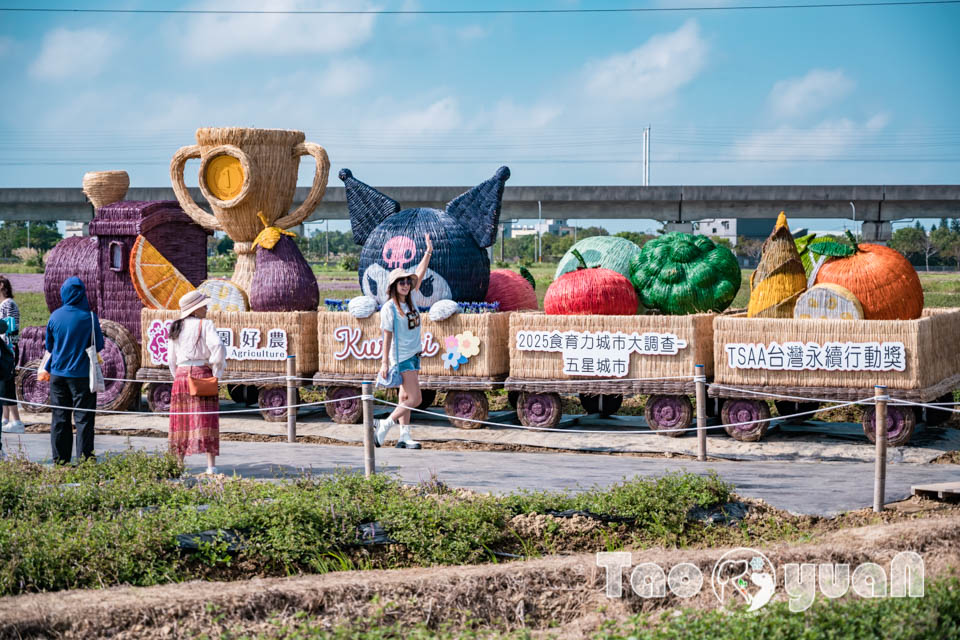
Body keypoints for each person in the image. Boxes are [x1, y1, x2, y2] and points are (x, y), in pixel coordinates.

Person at [374, 233, 434, 450]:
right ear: (394, 286)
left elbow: (420, 272)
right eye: (401, 282)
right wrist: (384, 363)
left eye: (407, 282)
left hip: (414, 354)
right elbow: (386, 336)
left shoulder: (411, 301)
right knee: (416, 399)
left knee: (405, 396)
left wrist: (428, 251)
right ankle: (384, 424)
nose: (406, 284)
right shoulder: (389, 307)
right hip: (402, 358)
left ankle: (404, 436)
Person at [43, 276, 104, 464]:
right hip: (81, 376)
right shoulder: (90, 317)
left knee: (60, 419)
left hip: (57, 375)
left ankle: (61, 461)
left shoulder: (55, 316)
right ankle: (85, 462)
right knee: (84, 420)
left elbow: (50, 346)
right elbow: (99, 345)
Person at [167, 290, 225, 474]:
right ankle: (210, 466)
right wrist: (217, 371)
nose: (207, 308)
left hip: (181, 376)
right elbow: (218, 347)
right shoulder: (205, 324)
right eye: (204, 306)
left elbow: (171, 358)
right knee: (206, 418)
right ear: (195, 309)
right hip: (201, 374)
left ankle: (179, 464)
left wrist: (177, 374)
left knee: (181, 420)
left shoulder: (176, 326)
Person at [0, 275, 24, 434]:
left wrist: (8, 348)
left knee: (6, 384)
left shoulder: (8, 304)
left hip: (6, 349)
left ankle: (16, 421)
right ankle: (5, 418)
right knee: (4, 384)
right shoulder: (5, 304)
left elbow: (10, 329)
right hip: (7, 348)